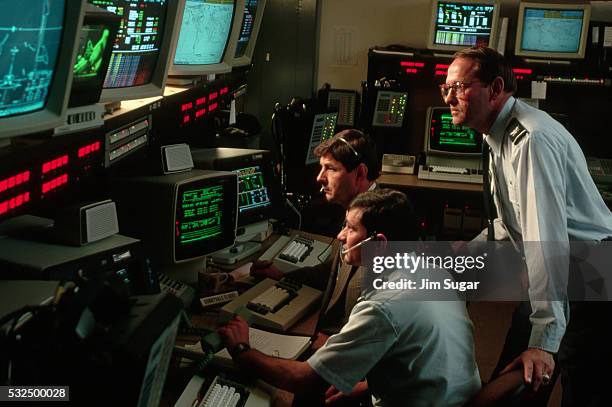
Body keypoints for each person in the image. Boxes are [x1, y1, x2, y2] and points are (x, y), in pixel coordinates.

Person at [441, 46, 612, 405]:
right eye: (445, 87)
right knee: (513, 380)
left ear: (496, 87)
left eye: (459, 87)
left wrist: (544, 339)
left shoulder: (531, 139)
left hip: (594, 274)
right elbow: (510, 224)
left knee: (579, 383)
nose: (448, 97)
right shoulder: (497, 134)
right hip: (558, 272)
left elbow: (544, 239)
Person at [220, 189, 481, 406]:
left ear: (379, 244)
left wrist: (242, 350)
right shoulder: (434, 272)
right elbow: (425, 357)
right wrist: (370, 384)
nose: (340, 236)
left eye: (350, 228)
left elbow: (302, 378)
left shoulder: (384, 306)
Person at [252, 129, 380, 335]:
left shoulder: (374, 229)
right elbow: (336, 269)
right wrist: (283, 275)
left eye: (330, 169)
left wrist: (333, 340)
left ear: (360, 173)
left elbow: (373, 316)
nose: (320, 178)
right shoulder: (358, 208)